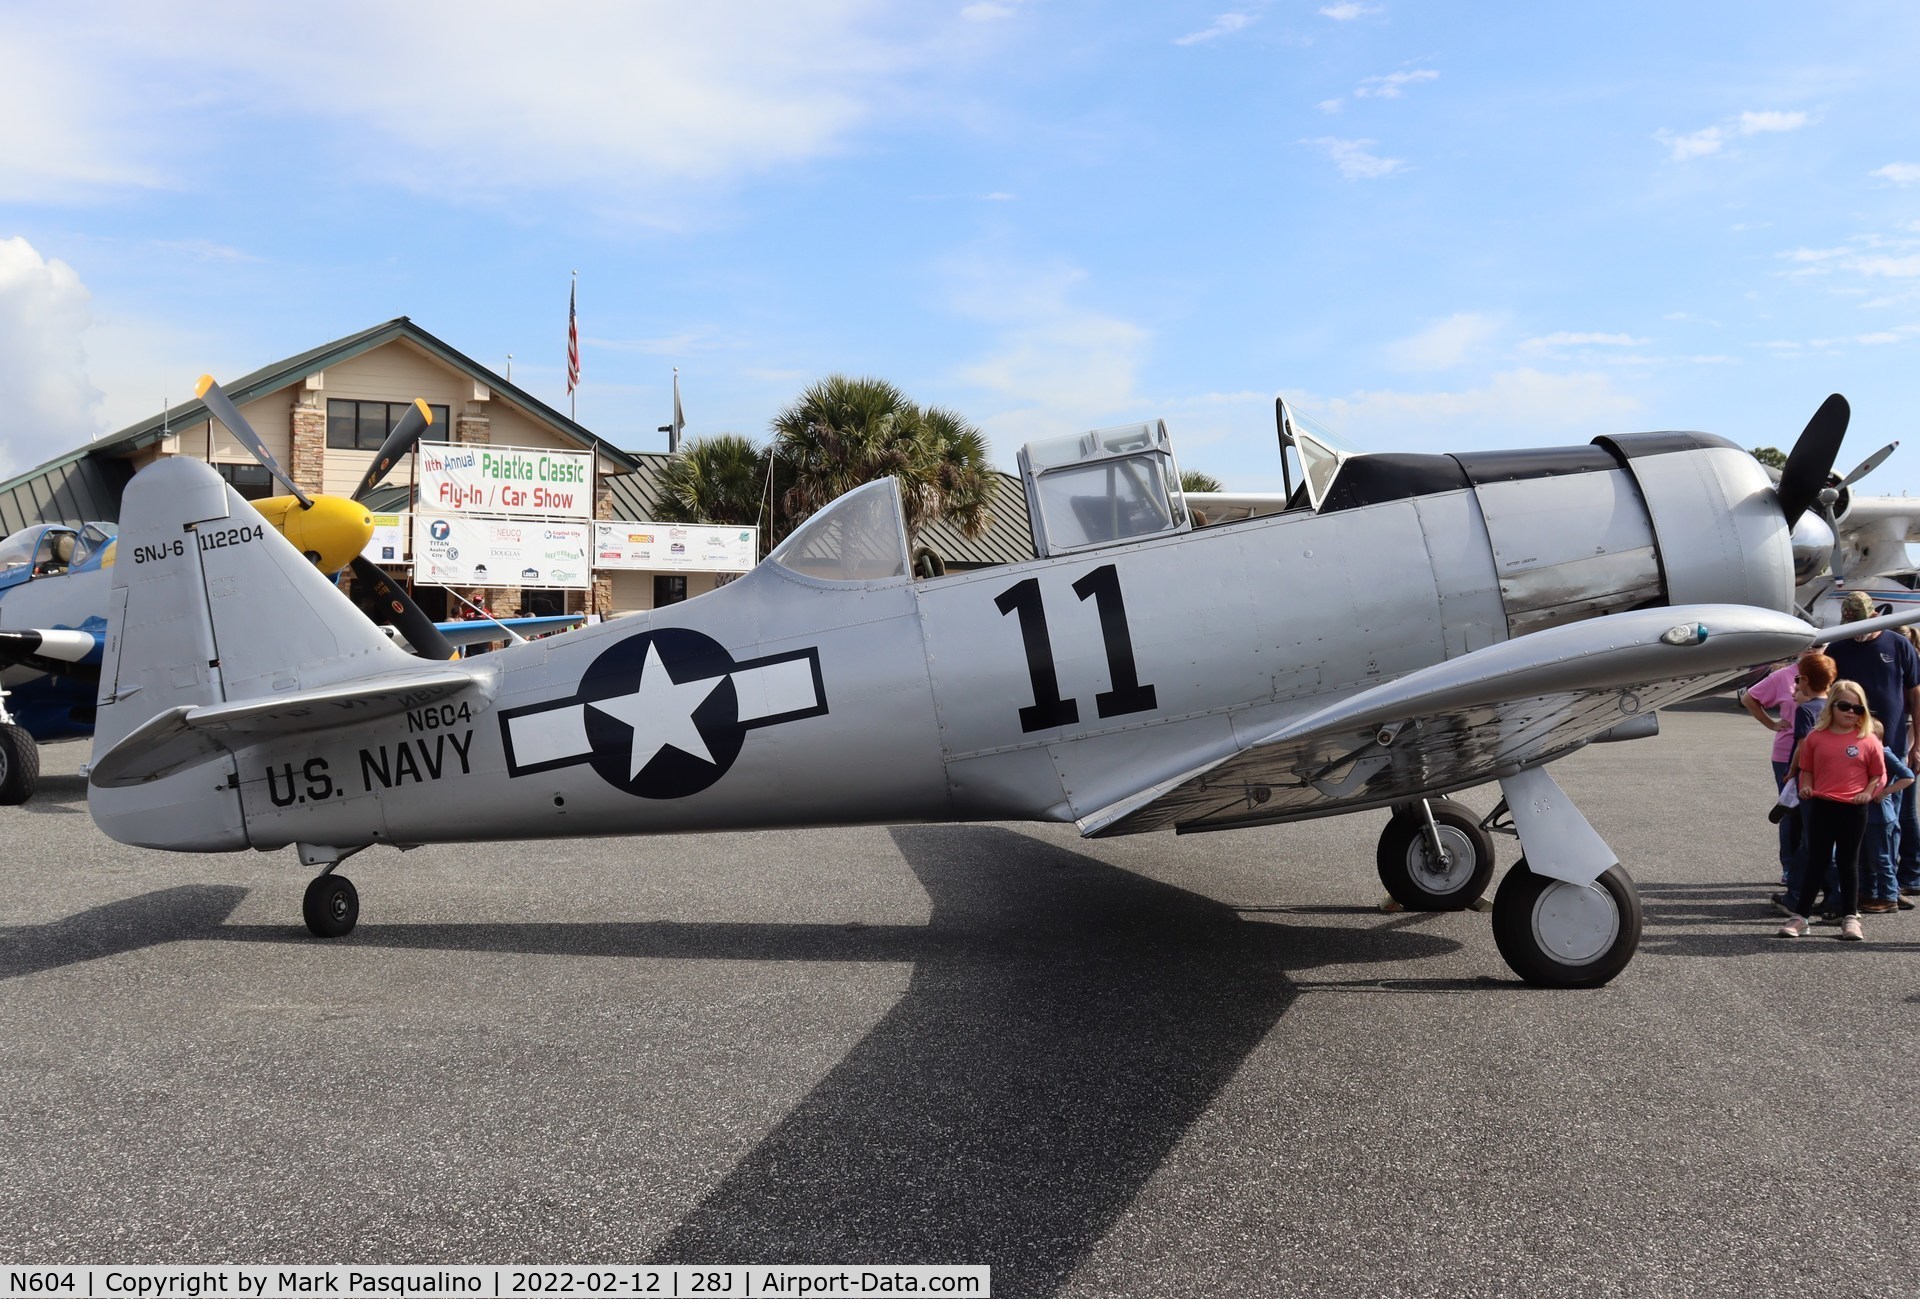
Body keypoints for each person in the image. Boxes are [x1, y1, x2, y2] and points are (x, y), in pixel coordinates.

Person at [1824, 590, 1920, 902]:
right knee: (1862, 820)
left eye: (1863, 624)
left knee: (1900, 816)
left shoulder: (1898, 644)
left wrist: (1918, 743)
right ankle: (1869, 885)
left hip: (1892, 745)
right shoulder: (1839, 647)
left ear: (1875, 617)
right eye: (1851, 624)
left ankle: (1905, 879)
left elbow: (1915, 696)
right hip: (1851, 752)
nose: (1858, 632)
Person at [1777, 679, 1886, 941]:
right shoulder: (1815, 737)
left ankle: (1850, 917)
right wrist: (1806, 787)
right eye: (1845, 706)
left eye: (1858, 708)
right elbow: (1808, 769)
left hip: (1853, 809)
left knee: (1849, 863)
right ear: (1831, 706)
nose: (1851, 712)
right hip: (1822, 806)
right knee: (1817, 861)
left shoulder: (1868, 739)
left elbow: (1878, 774)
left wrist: (1867, 793)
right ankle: (1801, 917)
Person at [1862, 719, 1916, 914]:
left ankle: (1889, 897)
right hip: (1867, 815)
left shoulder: (1884, 753)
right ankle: (1869, 892)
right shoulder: (1864, 753)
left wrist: (1886, 792)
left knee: (1882, 858)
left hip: (1881, 816)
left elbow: (1908, 776)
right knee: (1865, 857)